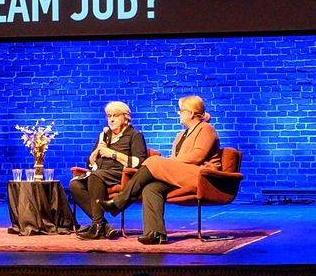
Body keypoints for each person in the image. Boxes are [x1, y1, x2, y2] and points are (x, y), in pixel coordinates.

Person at [101, 96, 221, 245]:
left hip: (202, 176)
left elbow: (197, 157)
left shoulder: (206, 129)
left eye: (181, 111)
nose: (179, 114)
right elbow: (177, 161)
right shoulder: (181, 135)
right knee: (151, 188)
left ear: (191, 113)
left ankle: (119, 201)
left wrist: (166, 164)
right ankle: (156, 234)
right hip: (182, 175)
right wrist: (168, 165)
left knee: (153, 161)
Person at [70, 101, 147, 241]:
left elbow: (139, 163)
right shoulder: (104, 135)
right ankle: (103, 226)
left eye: (115, 116)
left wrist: (112, 153)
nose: (111, 119)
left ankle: (98, 227)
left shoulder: (135, 135)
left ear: (126, 117)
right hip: (99, 174)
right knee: (75, 184)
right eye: (108, 116)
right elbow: (90, 165)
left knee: (95, 176)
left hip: (120, 175)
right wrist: (94, 155)